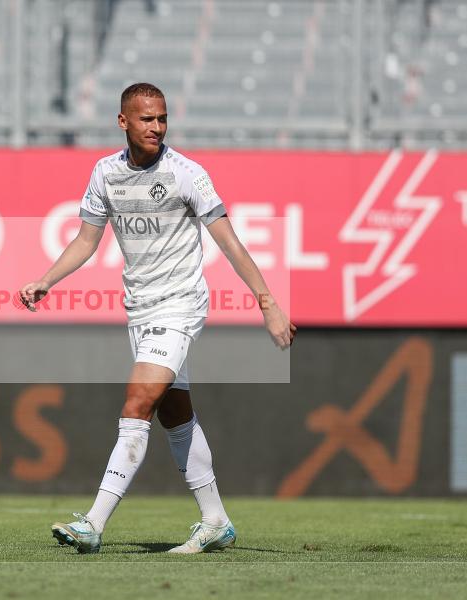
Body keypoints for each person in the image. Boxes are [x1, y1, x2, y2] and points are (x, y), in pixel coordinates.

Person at [18, 82, 295, 554]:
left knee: (138, 402)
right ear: (123, 121)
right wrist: (47, 279)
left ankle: (93, 524)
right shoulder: (105, 172)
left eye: (163, 118)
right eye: (147, 119)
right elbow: (86, 242)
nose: (157, 127)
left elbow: (229, 242)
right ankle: (215, 521)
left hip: (180, 305)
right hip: (140, 309)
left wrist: (268, 304)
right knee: (175, 416)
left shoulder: (187, 173)